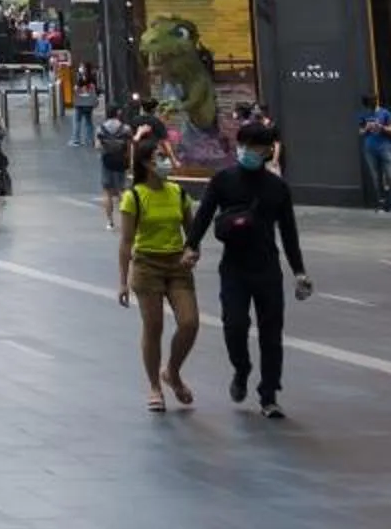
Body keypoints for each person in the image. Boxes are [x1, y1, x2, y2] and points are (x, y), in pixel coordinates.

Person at [189, 117, 312, 419]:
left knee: (272, 333)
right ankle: (241, 368)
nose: (249, 151)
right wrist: (191, 247)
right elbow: (203, 216)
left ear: (269, 150)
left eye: (257, 146)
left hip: (267, 267)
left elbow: (288, 232)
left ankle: (269, 394)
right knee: (234, 325)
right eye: (245, 145)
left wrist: (299, 272)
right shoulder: (223, 180)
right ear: (239, 145)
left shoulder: (277, 188)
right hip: (234, 267)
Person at [116, 135, 200, 412]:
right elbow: (127, 241)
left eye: (167, 156)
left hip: (177, 265)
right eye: (160, 157)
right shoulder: (134, 197)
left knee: (189, 322)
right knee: (154, 327)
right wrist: (123, 281)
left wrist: (192, 251)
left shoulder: (178, 193)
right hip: (146, 265)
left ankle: (172, 372)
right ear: (145, 162)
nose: (167, 162)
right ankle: (154, 385)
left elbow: (192, 233)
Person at [358, 96, 391, 215]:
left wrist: (382, 127)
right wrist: (367, 128)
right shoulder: (364, 114)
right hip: (369, 148)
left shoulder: (385, 113)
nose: (370, 106)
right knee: (376, 177)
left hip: (384, 147)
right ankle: (381, 204)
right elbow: (360, 132)